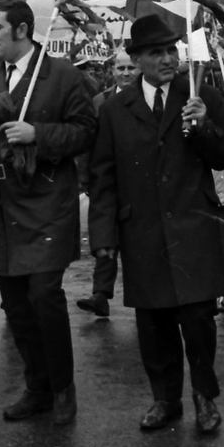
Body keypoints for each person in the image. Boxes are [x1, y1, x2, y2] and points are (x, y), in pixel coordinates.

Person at [0, 0, 97, 426]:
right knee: (15, 304)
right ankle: (38, 387)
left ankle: (63, 387)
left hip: (48, 200)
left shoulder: (62, 76)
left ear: (21, 29)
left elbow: (86, 133)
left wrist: (39, 133)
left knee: (43, 295)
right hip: (1, 203)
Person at [88, 14, 224, 434]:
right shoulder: (116, 108)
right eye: (157, 53)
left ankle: (204, 397)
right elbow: (103, 175)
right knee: (153, 325)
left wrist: (204, 126)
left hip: (193, 226)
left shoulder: (201, 95)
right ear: (137, 60)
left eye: (172, 50)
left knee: (198, 321)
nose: (168, 59)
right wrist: (104, 237)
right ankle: (165, 398)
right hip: (143, 233)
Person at [78, 46, 141, 318]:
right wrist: (84, 180)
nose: (125, 73)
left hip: (139, 182)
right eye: (120, 68)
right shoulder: (100, 102)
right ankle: (100, 295)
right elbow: (88, 144)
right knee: (105, 238)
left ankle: (146, 299)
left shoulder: (147, 99)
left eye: (130, 68)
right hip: (106, 181)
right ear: (112, 70)